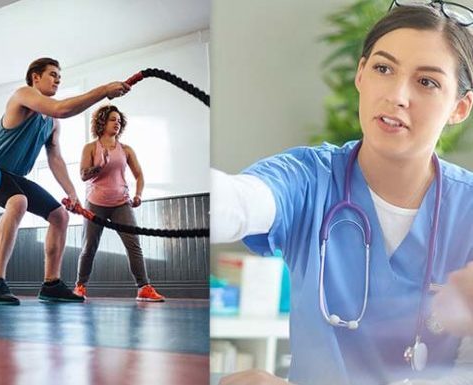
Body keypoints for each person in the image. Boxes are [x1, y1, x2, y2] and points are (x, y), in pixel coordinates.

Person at [212, 3, 473, 385]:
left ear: (459, 107)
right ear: (361, 75)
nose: (397, 95)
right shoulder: (308, 178)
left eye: (427, 82)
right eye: (384, 69)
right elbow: (237, 202)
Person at [0, 57, 131, 305]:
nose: (58, 79)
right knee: (18, 202)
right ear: (35, 77)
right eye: (52, 74)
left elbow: (55, 159)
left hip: (15, 177)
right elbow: (61, 108)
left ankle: (51, 284)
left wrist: (73, 194)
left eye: (60, 76)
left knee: (60, 215)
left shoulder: (51, 123)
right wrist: (103, 91)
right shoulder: (23, 95)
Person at [72, 105, 164, 302]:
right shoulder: (90, 148)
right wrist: (100, 166)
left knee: (134, 245)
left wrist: (138, 195)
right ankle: (80, 286)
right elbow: (83, 175)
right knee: (89, 247)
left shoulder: (126, 149)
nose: (117, 123)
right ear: (102, 122)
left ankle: (144, 287)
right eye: (113, 119)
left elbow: (139, 175)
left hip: (121, 202)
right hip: (95, 202)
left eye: (119, 120)